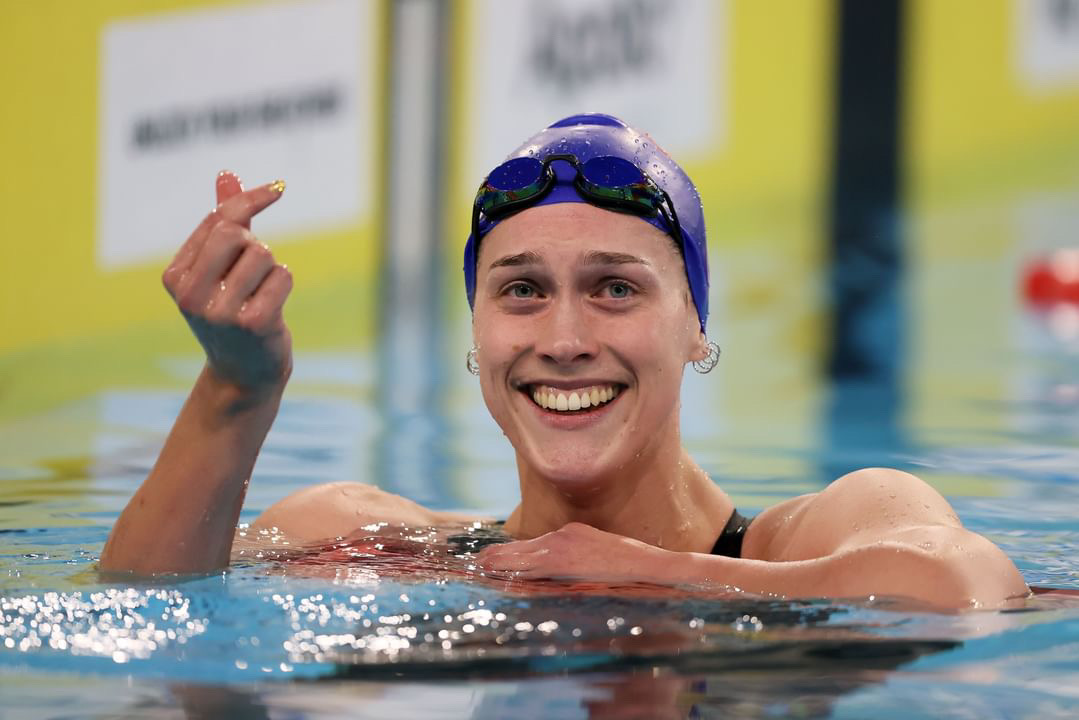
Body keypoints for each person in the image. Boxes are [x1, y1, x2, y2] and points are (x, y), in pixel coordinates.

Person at [100, 113, 1028, 609]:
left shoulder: (825, 531)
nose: (564, 337)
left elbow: (967, 588)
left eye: (616, 288)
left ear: (694, 326)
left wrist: (643, 573)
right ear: (475, 334)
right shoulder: (371, 539)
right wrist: (236, 389)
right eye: (521, 290)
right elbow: (142, 615)